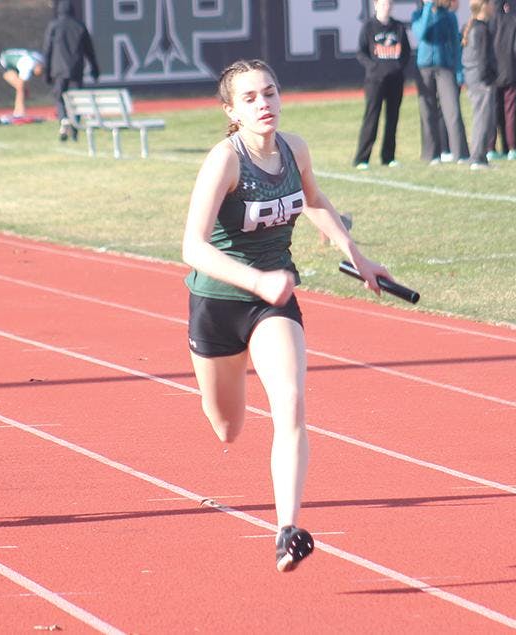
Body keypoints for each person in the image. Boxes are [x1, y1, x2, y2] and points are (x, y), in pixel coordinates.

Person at [181, 59, 393, 572]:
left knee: (292, 404)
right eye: (250, 97)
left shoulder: (295, 149)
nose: (264, 104)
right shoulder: (225, 161)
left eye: (270, 92)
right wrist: (255, 280)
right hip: (218, 305)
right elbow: (192, 246)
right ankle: (230, 384)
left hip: (273, 303)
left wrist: (356, 255)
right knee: (227, 427)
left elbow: (313, 199)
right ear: (231, 111)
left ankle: (287, 530)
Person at [353, 0, 412, 169]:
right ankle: (362, 159)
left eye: (389, 4)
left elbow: (406, 52)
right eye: (384, 4)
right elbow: (361, 52)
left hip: (395, 80)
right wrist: (374, 67)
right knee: (372, 118)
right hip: (375, 81)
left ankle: (388, 157)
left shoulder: (398, 27)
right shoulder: (369, 27)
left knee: (392, 118)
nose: (387, 7)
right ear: (376, 5)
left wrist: (398, 66)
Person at [413, 0, 470, 164]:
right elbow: (421, 34)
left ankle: (460, 153)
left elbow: (456, 45)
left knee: (453, 111)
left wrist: (459, 71)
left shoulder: (449, 16)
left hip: (445, 67)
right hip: (424, 68)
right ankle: (431, 154)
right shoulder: (417, 15)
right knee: (427, 112)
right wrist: (428, 9)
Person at [42, 0, 99, 141]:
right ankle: (75, 126)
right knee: (76, 99)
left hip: (59, 69)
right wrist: (95, 68)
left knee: (60, 96)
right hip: (76, 69)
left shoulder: (54, 26)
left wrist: (46, 72)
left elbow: (47, 50)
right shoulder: (79, 26)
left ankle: (63, 120)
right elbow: (89, 50)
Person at [462, 0, 498, 169]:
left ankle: (480, 157)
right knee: (482, 119)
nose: (493, 7)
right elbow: (483, 58)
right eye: (491, 3)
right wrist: (489, 78)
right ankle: (477, 158)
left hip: (473, 77)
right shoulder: (481, 29)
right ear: (484, 6)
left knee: (483, 117)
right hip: (480, 80)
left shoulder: (473, 26)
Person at [489, 0, 516, 160]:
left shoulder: (488, 21)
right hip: (511, 70)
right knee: (510, 111)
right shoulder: (514, 19)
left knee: (493, 111)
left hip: (493, 73)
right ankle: (511, 147)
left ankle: (491, 148)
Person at [0, 48, 45, 118]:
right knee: (20, 87)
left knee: (22, 88)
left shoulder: (41, 59)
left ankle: (18, 111)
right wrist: (26, 89)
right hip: (5, 64)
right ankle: (19, 112)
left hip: (17, 61)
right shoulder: (27, 64)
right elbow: (22, 83)